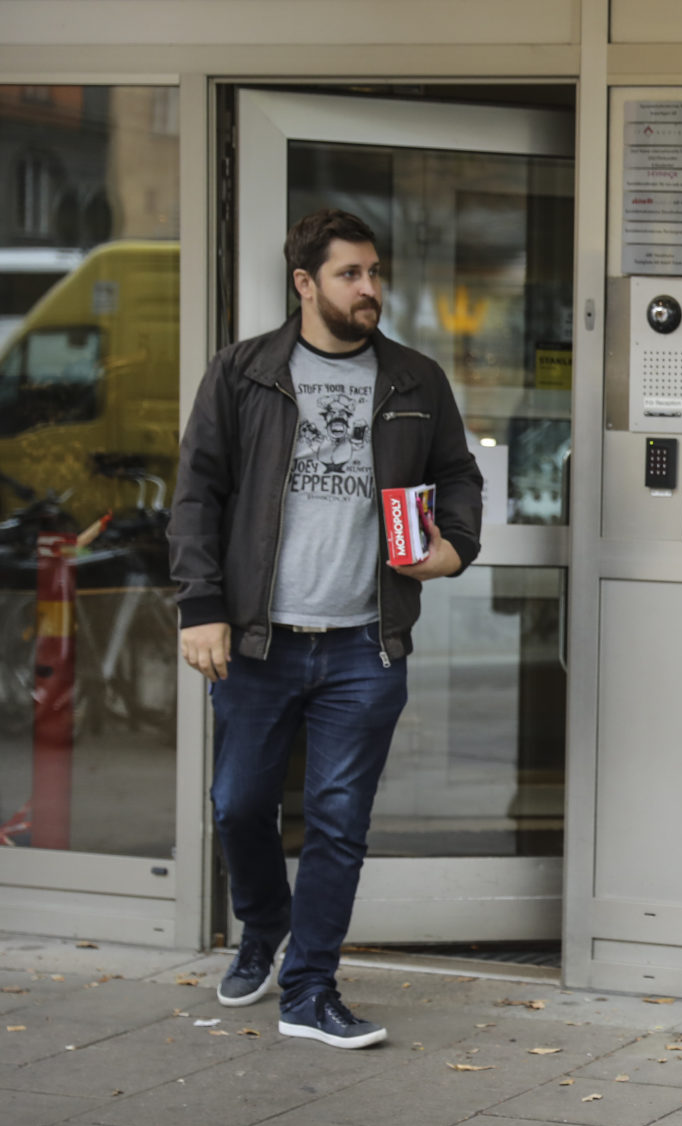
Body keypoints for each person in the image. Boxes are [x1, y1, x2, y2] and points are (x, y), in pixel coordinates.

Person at [169, 209, 482, 1048]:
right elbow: (197, 493)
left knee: (338, 822)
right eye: (350, 274)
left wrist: (454, 548)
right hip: (260, 639)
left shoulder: (414, 380)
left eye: (374, 271)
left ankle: (309, 988)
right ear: (305, 283)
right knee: (239, 804)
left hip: (363, 643)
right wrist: (200, 606)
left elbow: (459, 475)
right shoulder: (243, 373)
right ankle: (265, 922)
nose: (369, 288)